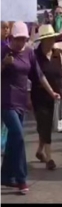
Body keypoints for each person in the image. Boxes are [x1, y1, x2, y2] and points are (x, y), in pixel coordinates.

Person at [1, 21, 60, 194]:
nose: (20, 43)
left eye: (24, 39)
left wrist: (52, 93)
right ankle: (21, 179)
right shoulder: (3, 51)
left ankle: (5, 176)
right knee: (18, 135)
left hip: (21, 102)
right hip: (5, 101)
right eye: (17, 39)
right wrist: (4, 63)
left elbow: (39, 75)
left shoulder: (28, 52)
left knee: (14, 139)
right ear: (11, 38)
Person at [31, 25, 62, 170]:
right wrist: (28, 96)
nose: (50, 41)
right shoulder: (35, 56)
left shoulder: (57, 54)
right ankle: (49, 158)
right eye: (47, 39)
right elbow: (31, 78)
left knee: (48, 126)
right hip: (39, 96)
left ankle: (40, 151)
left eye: (52, 38)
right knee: (44, 124)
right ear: (42, 40)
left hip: (56, 97)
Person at [1, 21, 10, 155]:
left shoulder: (8, 45)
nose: (6, 30)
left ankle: (3, 144)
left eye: (8, 27)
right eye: (3, 27)